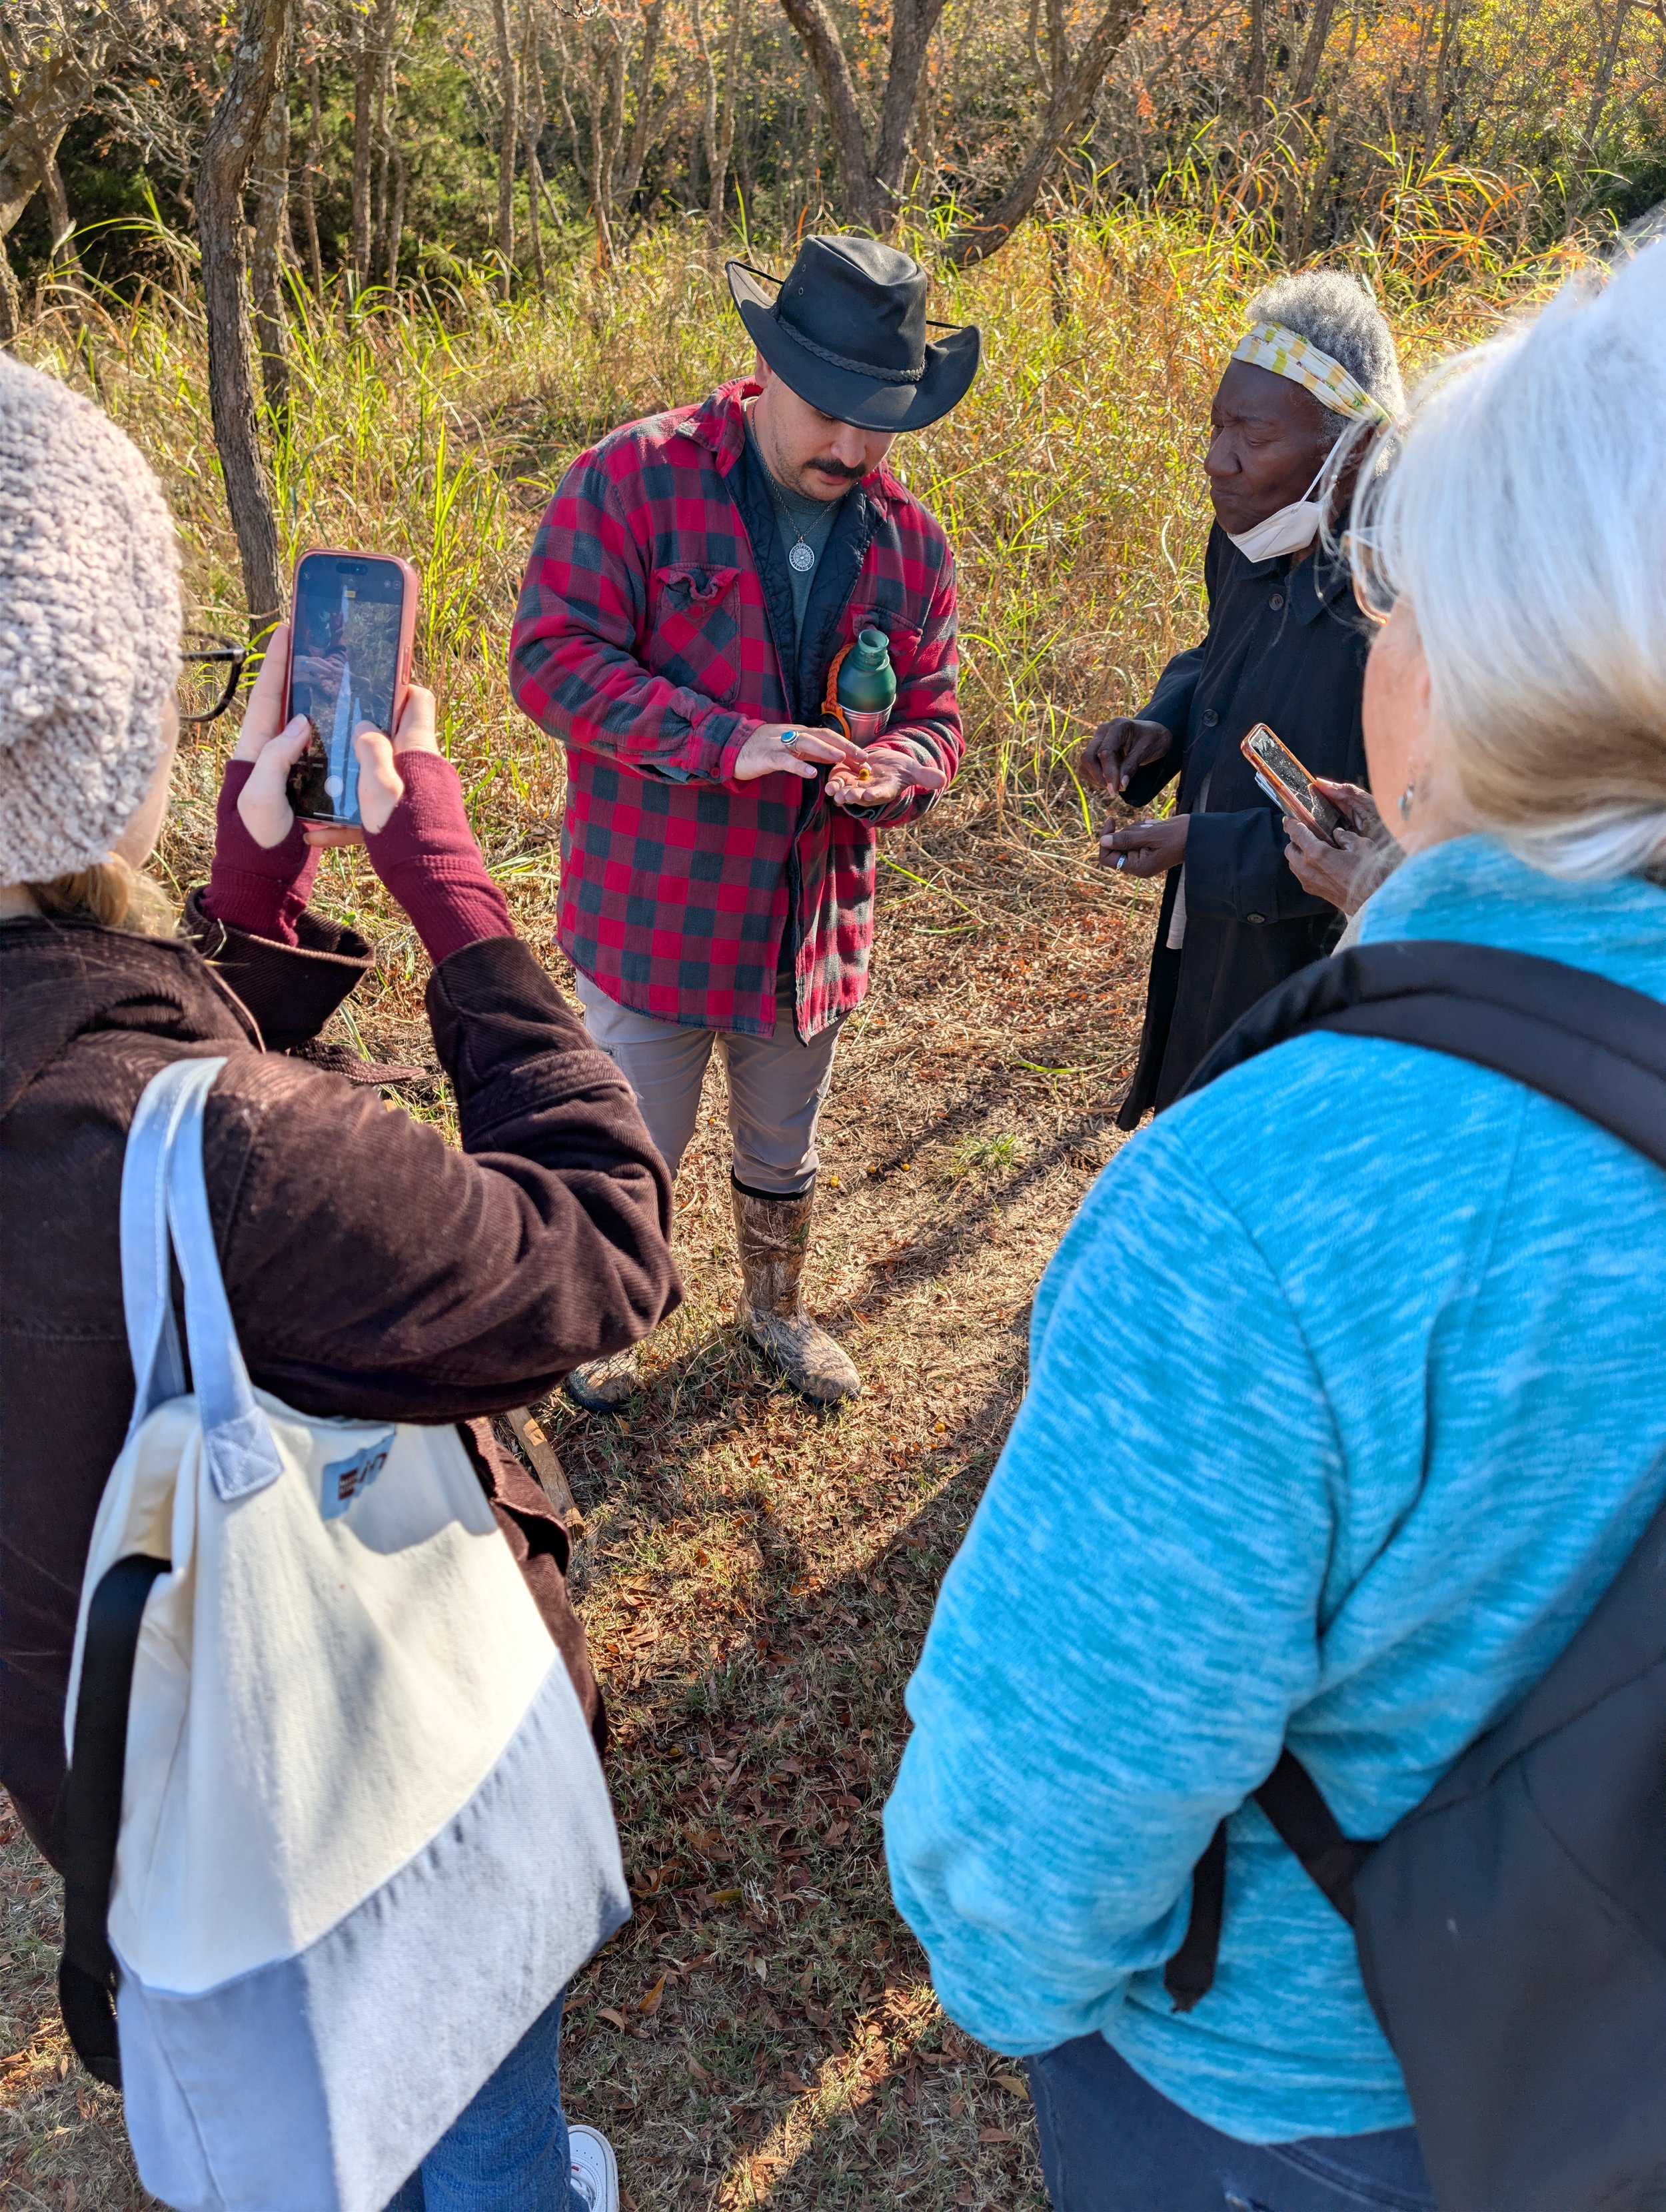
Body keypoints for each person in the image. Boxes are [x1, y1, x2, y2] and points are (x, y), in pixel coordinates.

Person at [886, 239, 1666, 2209]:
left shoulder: (1252, 1226)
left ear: (1492, 659)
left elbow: (1013, 1886)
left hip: (1298, 2102)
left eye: (1406, 596)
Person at [0, 357, 681, 2211]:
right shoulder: (216, 1147)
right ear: (97, 726)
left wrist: (246, 903)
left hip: (126, 1797)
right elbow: (600, 1242)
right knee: (458, 2131)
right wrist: (448, 885)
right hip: (360, 1811)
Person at [508, 233, 978, 1407]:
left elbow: (935, 715)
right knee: (631, 1146)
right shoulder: (631, 479)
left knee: (783, 1145)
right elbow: (552, 663)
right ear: (766, 369)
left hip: (808, 923)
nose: (854, 446)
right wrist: (730, 741)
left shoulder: (910, 542)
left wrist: (899, 775)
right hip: (656, 908)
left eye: (882, 420)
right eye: (831, 412)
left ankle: (775, 1310)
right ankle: (604, 1313)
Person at [1080, 272, 1403, 1127]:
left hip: (1318, 965)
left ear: (1353, 451)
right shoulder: (1252, 540)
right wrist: (1164, 725)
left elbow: (1379, 835)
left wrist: (1202, 844)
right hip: (1217, 935)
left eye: (1250, 436)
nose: (1215, 458)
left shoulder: (1392, 602)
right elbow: (1214, 653)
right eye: (1216, 425)